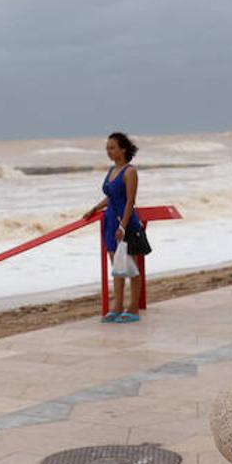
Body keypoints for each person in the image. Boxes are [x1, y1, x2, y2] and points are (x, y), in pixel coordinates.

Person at [84, 132, 146, 322]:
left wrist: (123, 226)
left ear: (123, 149)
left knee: (131, 267)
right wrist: (95, 208)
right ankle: (117, 306)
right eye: (107, 148)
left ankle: (133, 308)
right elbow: (111, 196)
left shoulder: (130, 171)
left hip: (125, 222)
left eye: (112, 148)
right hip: (110, 221)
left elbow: (130, 201)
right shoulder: (112, 171)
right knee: (118, 267)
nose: (109, 151)